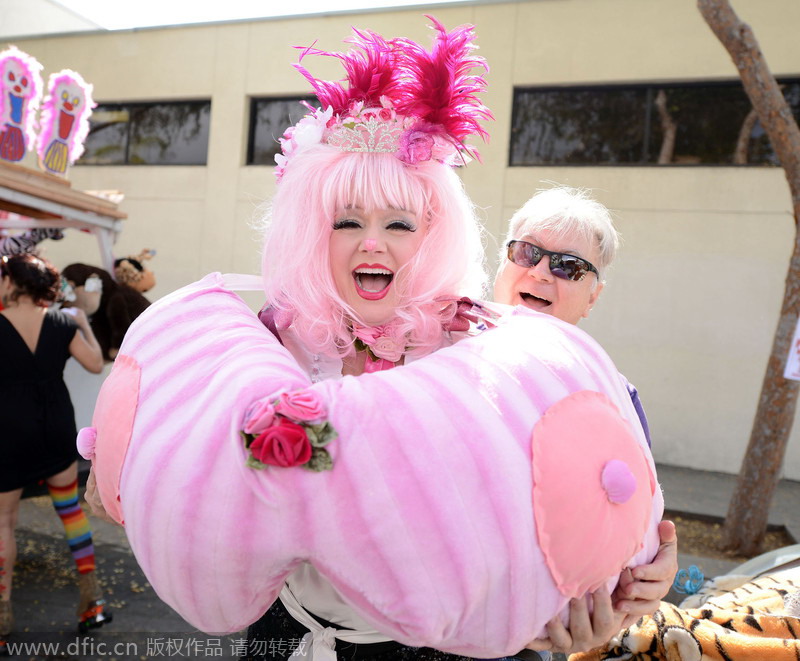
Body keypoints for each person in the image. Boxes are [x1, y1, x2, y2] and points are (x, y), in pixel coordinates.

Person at [493, 186, 678, 656]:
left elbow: (635, 519)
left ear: (592, 297)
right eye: (527, 252)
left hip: (520, 642)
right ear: (503, 260)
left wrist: (653, 572)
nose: (539, 272)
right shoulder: (421, 350)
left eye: (568, 266)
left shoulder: (615, 399)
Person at [0, 253, 111, 654]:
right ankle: (92, 599)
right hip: (55, 429)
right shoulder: (61, 323)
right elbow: (96, 364)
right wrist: (83, 322)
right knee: (71, 511)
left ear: (13, 283)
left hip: (7, 434)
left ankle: (3, 611)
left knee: (4, 523)